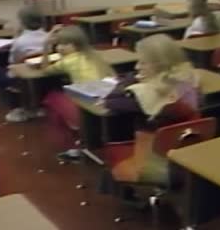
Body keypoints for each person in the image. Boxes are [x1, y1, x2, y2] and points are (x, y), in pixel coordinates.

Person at [98, 34, 200, 197]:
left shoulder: (147, 93)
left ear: (160, 64)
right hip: (188, 157)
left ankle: (128, 197)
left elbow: (110, 100)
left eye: (143, 62)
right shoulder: (189, 80)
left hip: (156, 163)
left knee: (112, 148)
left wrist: (131, 79)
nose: (137, 66)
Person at [11, 25, 116, 159]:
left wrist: (45, 45)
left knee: (51, 98)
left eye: (65, 44)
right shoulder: (95, 55)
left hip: (86, 105)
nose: (60, 47)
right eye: (58, 43)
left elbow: (45, 69)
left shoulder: (68, 61)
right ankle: (77, 134)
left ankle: (70, 145)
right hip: (104, 100)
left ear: (77, 45)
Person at [0, 6, 49, 122]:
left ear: (22, 23)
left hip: (23, 75)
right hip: (46, 74)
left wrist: (16, 37)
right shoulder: (49, 36)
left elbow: (13, 61)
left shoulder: (20, 41)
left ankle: (15, 107)